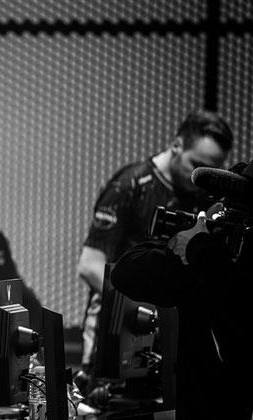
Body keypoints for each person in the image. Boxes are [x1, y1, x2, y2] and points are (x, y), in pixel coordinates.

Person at [75, 110, 233, 402]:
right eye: (196, 165)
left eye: (211, 170)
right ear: (176, 145)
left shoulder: (203, 196)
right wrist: (155, 316)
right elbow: (90, 266)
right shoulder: (130, 185)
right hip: (115, 342)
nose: (200, 177)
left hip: (171, 350)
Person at [110, 160, 253, 419]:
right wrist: (187, 241)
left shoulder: (209, 262)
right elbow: (127, 272)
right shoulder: (204, 262)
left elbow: (237, 330)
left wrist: (198, 245)